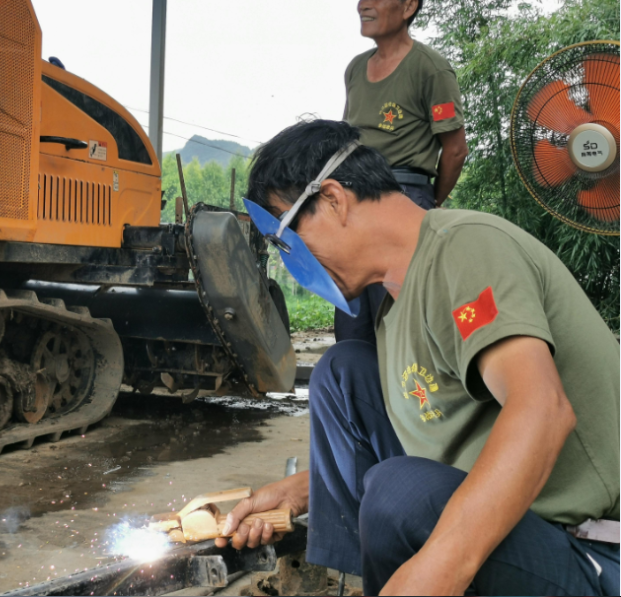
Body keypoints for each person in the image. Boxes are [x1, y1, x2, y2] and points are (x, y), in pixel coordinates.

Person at [224, 120, 619, 596]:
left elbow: (543, 409)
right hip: (518, 525)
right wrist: (296, 494)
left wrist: (436, 571)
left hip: (590, 548)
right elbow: (435, 448)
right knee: (343, 373)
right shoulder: (395, 304)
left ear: (332, 199)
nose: (292, 261)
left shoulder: (465, 249)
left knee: (398, 492)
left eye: (288, 239)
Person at [336, 0, 469, 344]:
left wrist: (428, 203)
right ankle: (359, 396)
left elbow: (455, 150)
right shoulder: (354, 69)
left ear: (408, 6)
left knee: (399, 324)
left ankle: (408, 396)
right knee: (353, 325)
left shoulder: (431, 70)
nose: (362, 5)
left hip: (404, 198)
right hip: (352, 204)